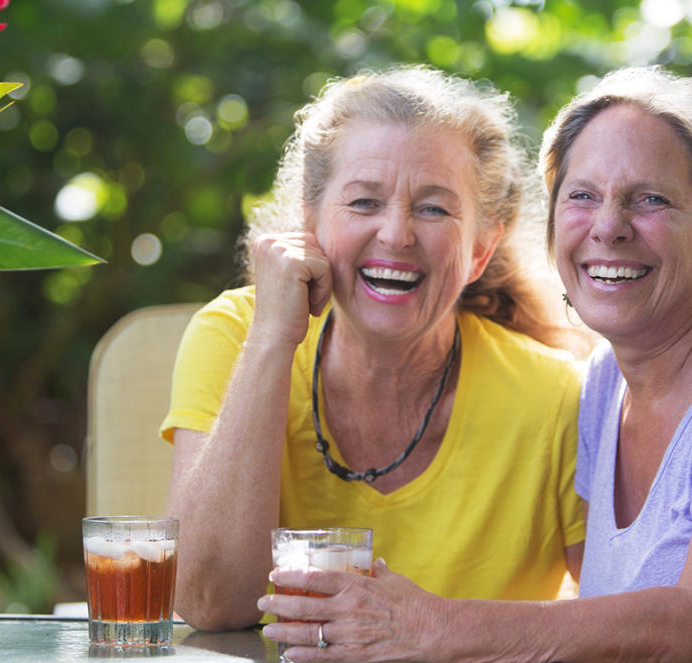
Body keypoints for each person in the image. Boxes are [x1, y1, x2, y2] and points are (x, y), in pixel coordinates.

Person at [258, 65, 692, 663]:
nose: (609, 227)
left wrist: (433, 627)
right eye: (583, 196)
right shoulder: (603, 383)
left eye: (649, 199)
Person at [161, 65, 589, 632]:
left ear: (481, 250)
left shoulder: (559, 396)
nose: (396, 234)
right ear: (310, 224)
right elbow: (209, 602)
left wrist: (436, 631)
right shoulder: (235, 336)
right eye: (364, 202)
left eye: (433, 208)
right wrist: (270, 340)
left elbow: (621, 626)